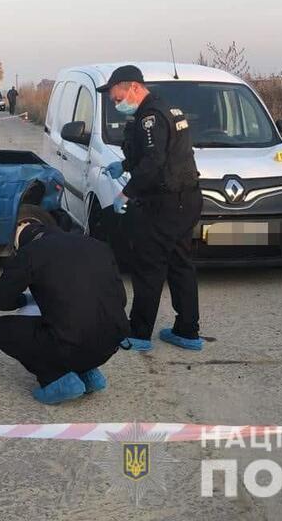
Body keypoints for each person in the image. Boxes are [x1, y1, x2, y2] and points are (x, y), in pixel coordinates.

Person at [99, 65, 203, 352]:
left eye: (115, 94)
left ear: (132, 86)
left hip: (166, 204)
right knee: (181, 263)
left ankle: (139, 333)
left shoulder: (150, 117)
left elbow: (154, 162)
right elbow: (165, 154)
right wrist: (125, 164)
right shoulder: (167, 108)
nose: (112, 100)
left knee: (149, 265)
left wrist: (125, 192)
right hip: (187, 199)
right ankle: (187, 331)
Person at [0, 221, 129, 404]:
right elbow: (121, 299)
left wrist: (24, 299)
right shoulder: (97, 245)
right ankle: (88, 373)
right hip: (111, 344)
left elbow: (0, 301)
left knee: (0, 329)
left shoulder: (30, 253)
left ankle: (56, 379)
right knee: (77, 318)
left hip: (71, 345)